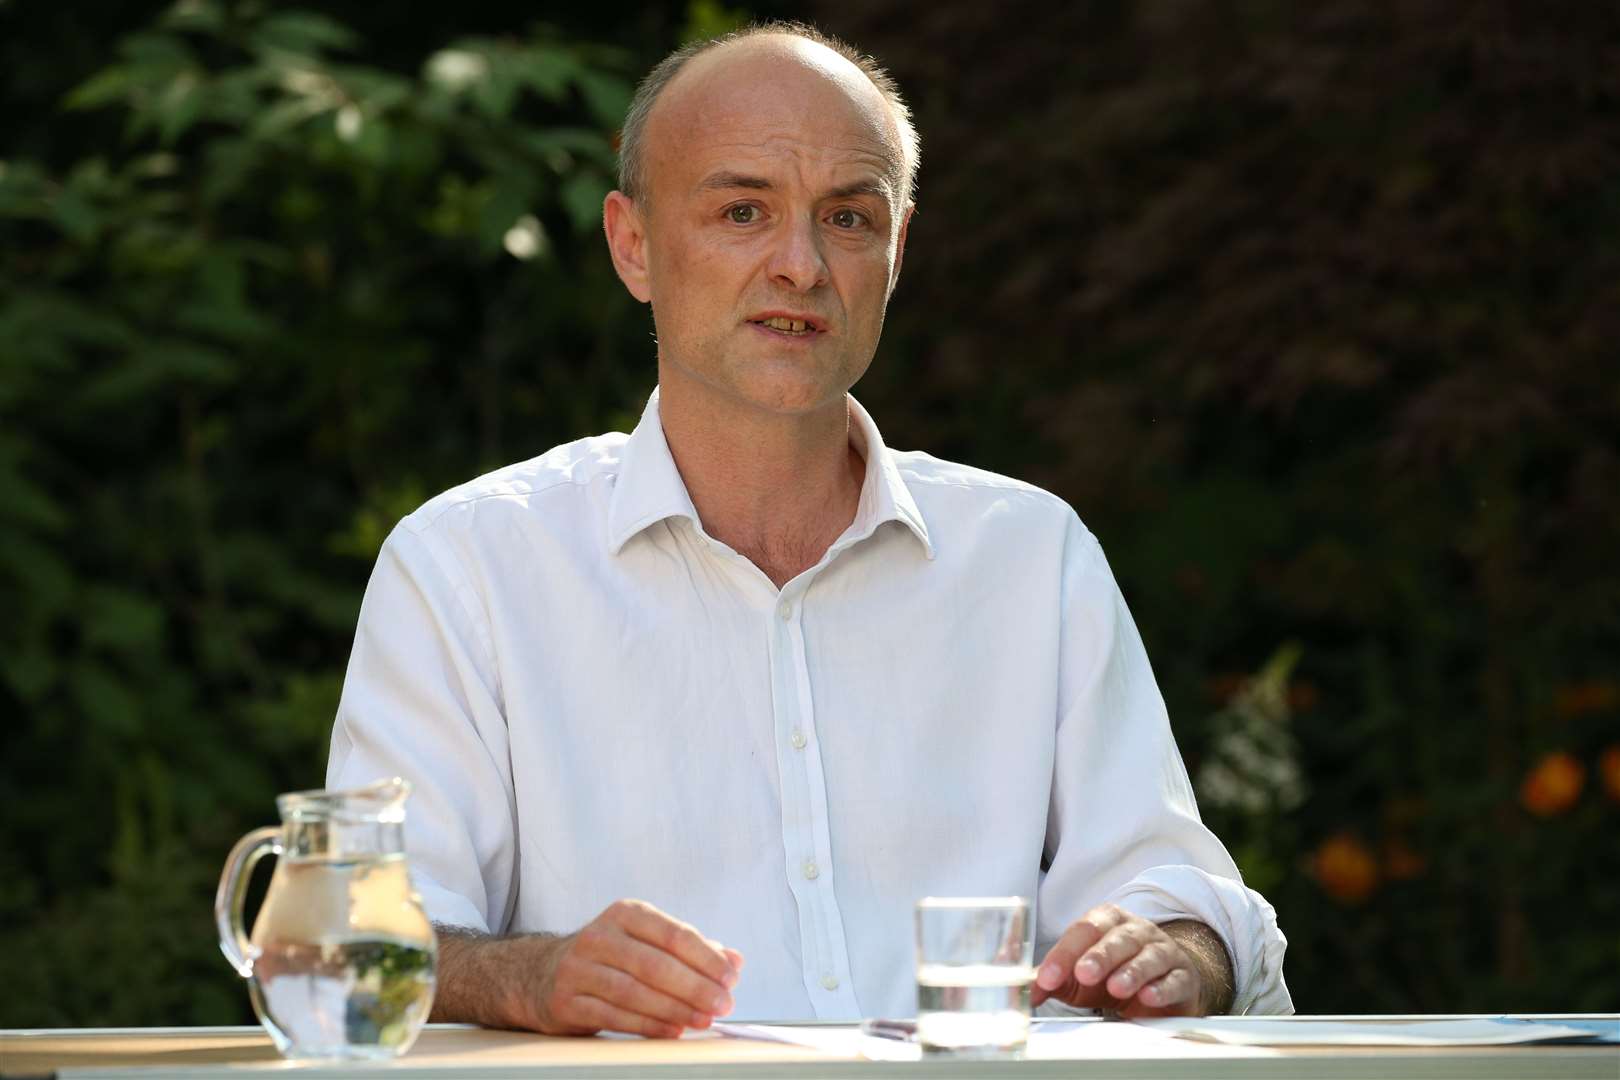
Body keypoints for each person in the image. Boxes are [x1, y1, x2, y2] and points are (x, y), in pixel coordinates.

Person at [326, 21, 1292, 1038]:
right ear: (633, 245)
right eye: (743, 210)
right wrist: (532, 977)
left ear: (897, 251)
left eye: (847, 218)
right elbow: (362, 943)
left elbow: (1172, 891)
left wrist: (1178, 953)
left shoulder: (1029, 555)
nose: (801, 265)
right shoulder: (468, 565)